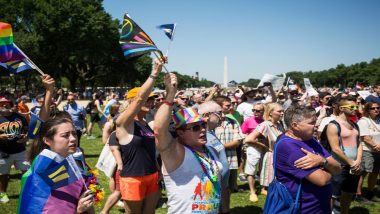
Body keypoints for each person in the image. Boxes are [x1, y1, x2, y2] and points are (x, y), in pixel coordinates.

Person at [154, 73, 223, 213]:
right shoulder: (176, 152)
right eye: (196, 128)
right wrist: (170, 96)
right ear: (180, 133)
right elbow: (159, 130)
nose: (202, 130)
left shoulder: (211, 150)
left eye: (203, 125)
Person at [115, 58, 164, 214]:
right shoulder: (124, 122)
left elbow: (149, 151)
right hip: (132, 178)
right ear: (131, 101)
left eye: (152, 99)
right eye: (147, 98)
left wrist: (158, 170)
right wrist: (154, 74)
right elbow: (139, 99)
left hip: (151, 175)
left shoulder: (145, 123)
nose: (149, 101)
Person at [18, 115, 94, 213]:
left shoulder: (73, 159)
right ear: (47, 141)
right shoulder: (46, 169)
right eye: (65, 135)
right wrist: (78, 211)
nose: (73, 139)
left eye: (74, 133)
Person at [275, 106, 341, 213]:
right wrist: (331, 169)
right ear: (295, 125)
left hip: (320, 206)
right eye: (311, 123)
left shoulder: (310, 140)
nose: (316, 126)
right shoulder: (288, 146)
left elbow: (338, 167)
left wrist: (322, 161)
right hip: (303, 209)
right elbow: (322, 180)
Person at [326, 99, 363, 214]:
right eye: (351, 107)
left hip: (354, 165)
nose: (355, 109)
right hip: (340, 165)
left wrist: (358, 160)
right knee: (333, 195)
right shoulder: (333, 125)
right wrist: (351, 162)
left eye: (356, 107)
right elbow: (335, 148)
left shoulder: (354, 124)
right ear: (341, 108)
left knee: (348, 193)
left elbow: (359, 143)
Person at [245, 102, 285, 195]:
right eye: (279, 111)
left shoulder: (279, 125)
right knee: (271, 184)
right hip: (270, 156)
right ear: (270, 113)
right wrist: (265, 147)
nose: (282, 113)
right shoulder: (265, 125)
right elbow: (249, 139)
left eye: (282, 111)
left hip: (279, 156)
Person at [198, 101, 230, 213]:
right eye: (219, 113)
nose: (223, 116)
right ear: (207, 115)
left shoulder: (211, 133)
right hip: (213, 189)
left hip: (222, 186)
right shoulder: (200, 137)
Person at [0, 97, 29, 203]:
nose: (3, 105)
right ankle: (2, 193)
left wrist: (25, 137)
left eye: (6, 103)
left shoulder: (20, 117)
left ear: (10, 104)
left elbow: (26, 130)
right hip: (3, 152)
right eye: (1, 104)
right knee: (3, 174)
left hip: (20, 150)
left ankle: (27, 191)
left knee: (26, 172)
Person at [356, 102, 380, 202]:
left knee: (375, 172)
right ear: (367, 110)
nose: (376, 110)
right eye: (372, 108)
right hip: (367, 151)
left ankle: (370, 192)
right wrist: (376, 146)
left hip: (378, 151)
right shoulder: (363, 121)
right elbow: (365, 137)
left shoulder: (379, 120)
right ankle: (358, 194)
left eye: (378, 108)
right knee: (363, 173)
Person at [241, 103, 265, 202]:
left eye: (258, 110)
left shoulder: (265, 121)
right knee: (251, 169)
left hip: (264, 147)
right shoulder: (248, 121)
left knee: (263, 167)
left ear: (263, 111)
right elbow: (243, 132)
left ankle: (263, 188)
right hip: (252, 147)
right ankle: (252, 192)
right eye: (253, 110)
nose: (255, 112)